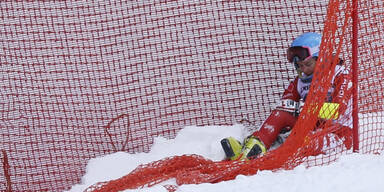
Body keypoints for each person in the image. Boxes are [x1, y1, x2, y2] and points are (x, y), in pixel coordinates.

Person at [221, 32, 353, 161]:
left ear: (322, 58)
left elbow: (338, 111)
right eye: (300, 66)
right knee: (280, 115)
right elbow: (284, 108)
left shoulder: (340, 75)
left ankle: (267, 158)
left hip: (338, 134)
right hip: (311, 127)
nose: (303, 70)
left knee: (302, 141)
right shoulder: (300, 81)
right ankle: (251, 149)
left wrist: (302, 108)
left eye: (308, 64)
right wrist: (287, 114)